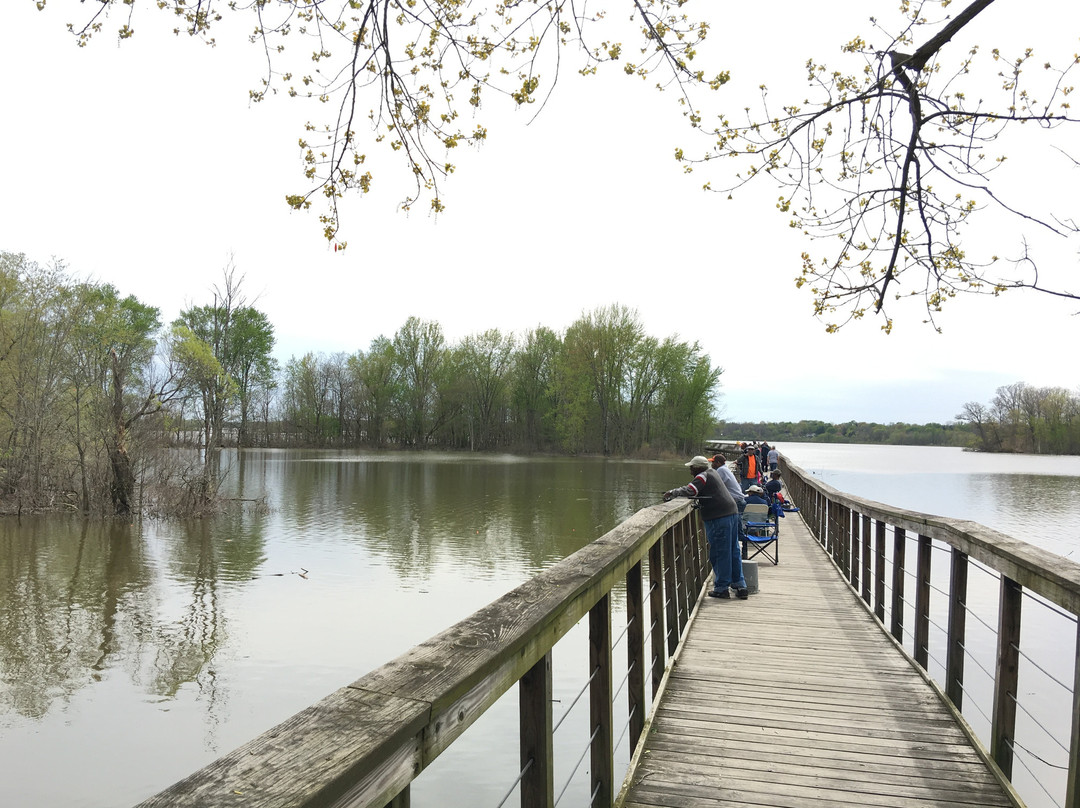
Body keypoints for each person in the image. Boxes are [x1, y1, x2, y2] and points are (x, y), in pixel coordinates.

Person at [663, 455, 748, 599]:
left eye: (691, 467)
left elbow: (691, 490)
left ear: (697, 467)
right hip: (732, 513)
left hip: (719, 518)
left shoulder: (702, 476)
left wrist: (672, 493)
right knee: (733, 550)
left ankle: (721, 588)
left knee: (720, 552)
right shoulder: (713, 473)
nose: (690, 470)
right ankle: (740, 585)